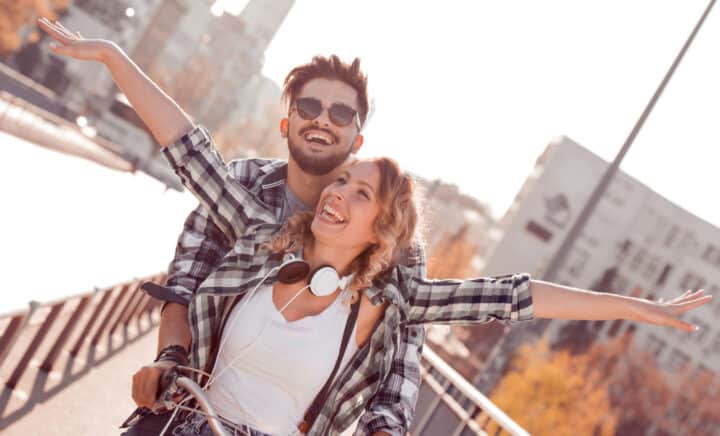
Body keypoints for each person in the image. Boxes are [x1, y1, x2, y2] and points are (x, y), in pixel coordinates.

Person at [38, 17, 712, 436]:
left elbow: (516, 295)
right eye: (339, 185)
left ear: (382, 231)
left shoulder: (395, 297)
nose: (336, 195)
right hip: (180, 425)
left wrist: (637, 307)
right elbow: (188, 148)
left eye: (358, 193)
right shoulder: (256, 228)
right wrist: (113, 59)